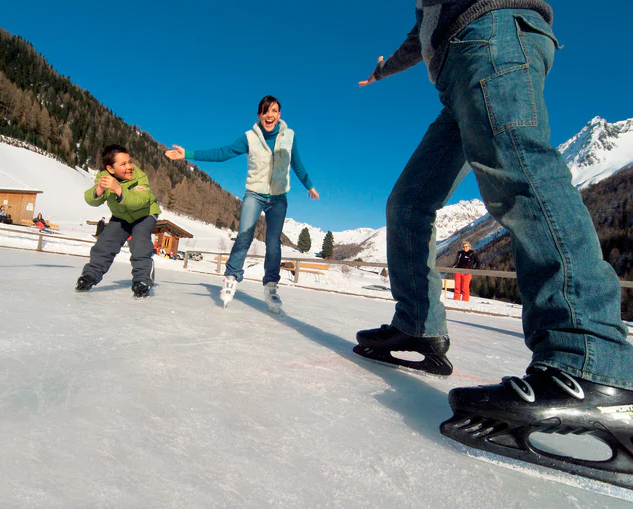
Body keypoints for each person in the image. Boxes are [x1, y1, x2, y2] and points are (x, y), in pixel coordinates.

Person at [353, 2, 633, 486]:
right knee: (409, 202)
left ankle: (590, 359)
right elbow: (419, 33)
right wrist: (384, 70)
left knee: (518, 169)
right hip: (458, 68)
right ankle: (419, 325)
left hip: (492, 34)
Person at [165, 95, 319, 312]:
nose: (270, 115)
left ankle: (271, 286)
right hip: (255, 194)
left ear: (279, 115)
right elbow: (223, 153)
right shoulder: (250, 137)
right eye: (266, 111)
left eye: (274, 111)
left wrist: (309, 185)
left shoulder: (289, 137)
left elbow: (297, 164)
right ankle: (231, 277)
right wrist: (188, 154)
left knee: (273, 242)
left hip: (278, 198)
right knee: (245, 234)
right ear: (259, 115)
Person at [76, 144, 160, 298]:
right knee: (105, 243)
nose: (129, 167)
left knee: (139, 242)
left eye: (130, 161)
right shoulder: (104, 178)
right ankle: (90, 276)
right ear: (110, 169)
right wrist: (99, 189)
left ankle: (142, 281)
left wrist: (118, 189)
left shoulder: (139, 177)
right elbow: (91, 200)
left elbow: (139, 202)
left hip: (145, 214)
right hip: (121, 216)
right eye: (123, 164)